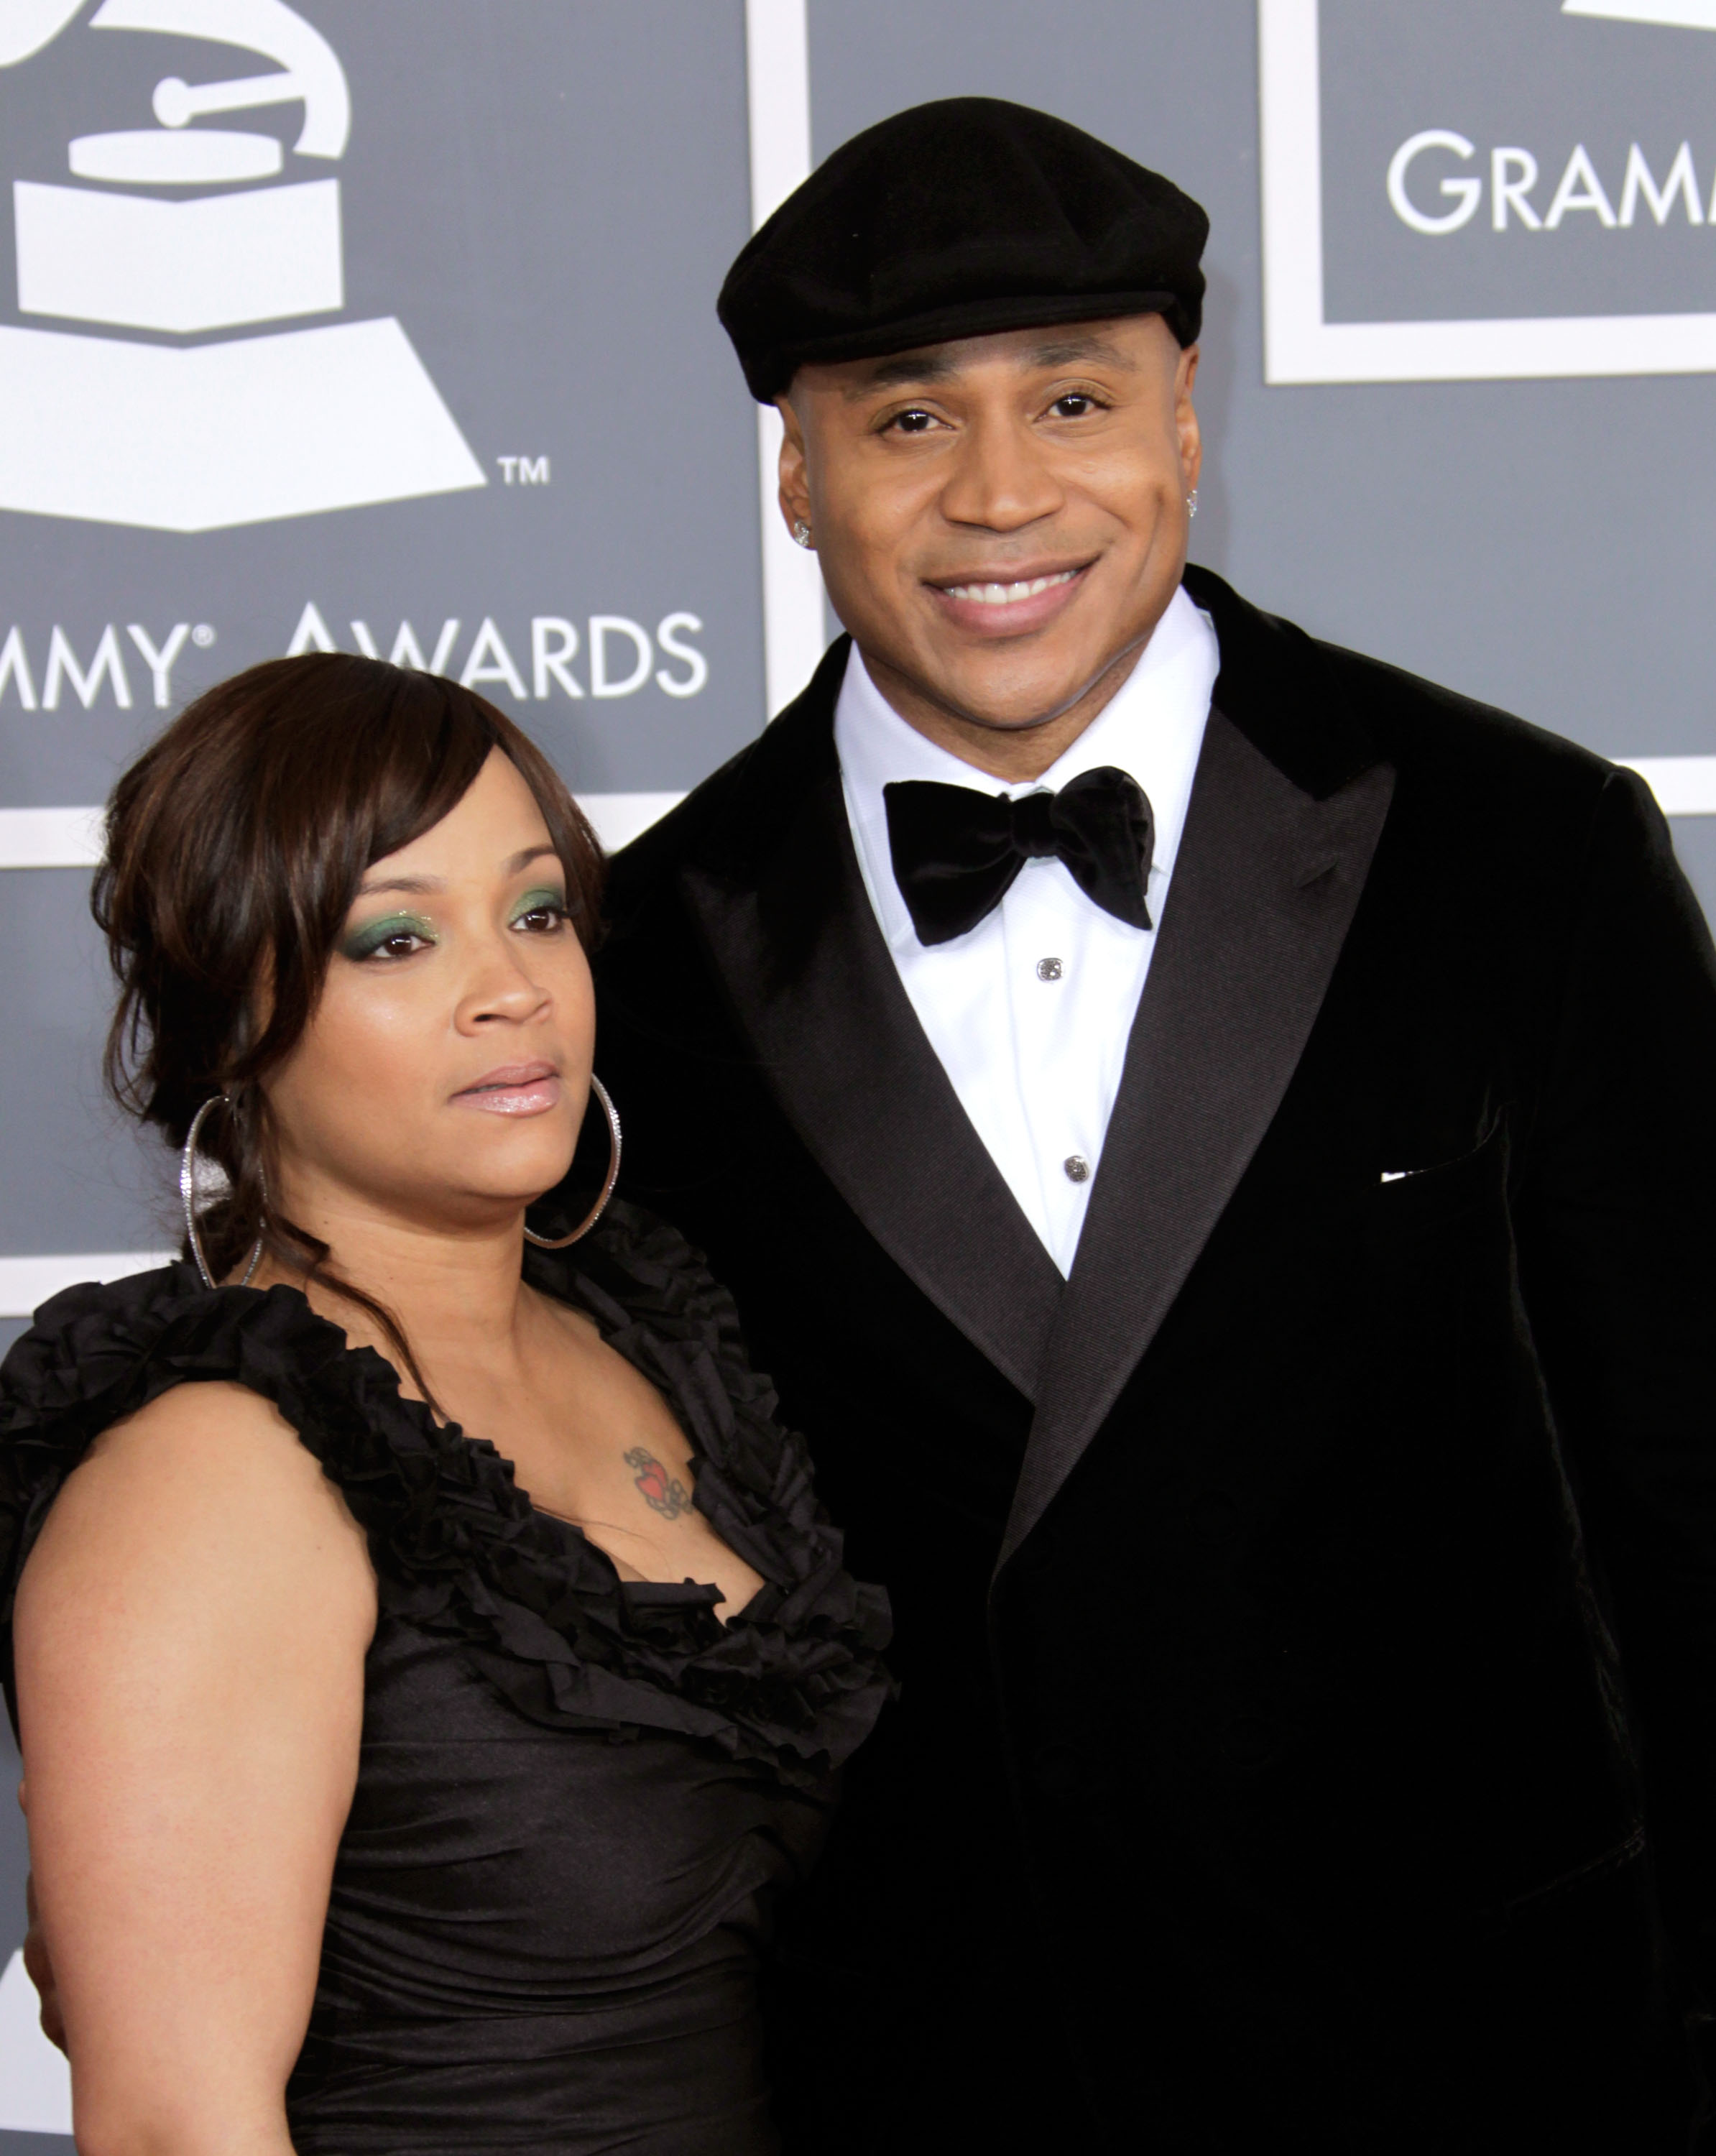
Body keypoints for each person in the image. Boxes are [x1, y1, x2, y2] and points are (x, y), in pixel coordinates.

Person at [586, 98, 1716, 2151]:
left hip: (1498, 2074)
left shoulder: (1521, 855)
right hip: (932, 2092)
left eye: (1075, 399)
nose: (1000, 495)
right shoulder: (636, 965)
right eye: (907, 422)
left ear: (1183, 421)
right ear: (794, 471)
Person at [0, 655, 890, 2155]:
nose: (512, 989)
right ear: (233, 1017)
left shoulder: (658, 1336)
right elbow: (174, 2128)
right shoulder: (210, 1480)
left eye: (539, 911)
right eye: (395, 939)